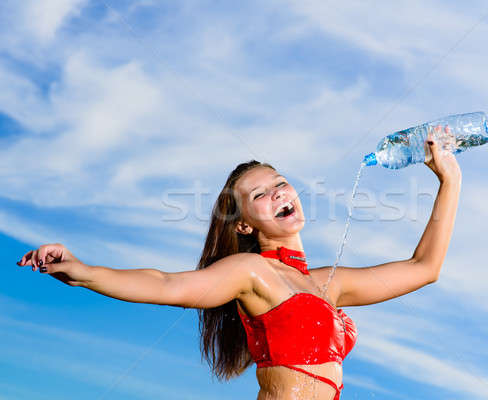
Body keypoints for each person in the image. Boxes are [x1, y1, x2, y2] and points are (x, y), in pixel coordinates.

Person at [16, 126, 461, 400]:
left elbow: (424, 268)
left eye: (281, 183)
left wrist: (450, 179)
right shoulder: (253, 274)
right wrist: (85, 272)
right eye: (260, 195)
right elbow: (168, 285)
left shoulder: (329, 284)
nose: (279, 193)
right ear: (244, 225)